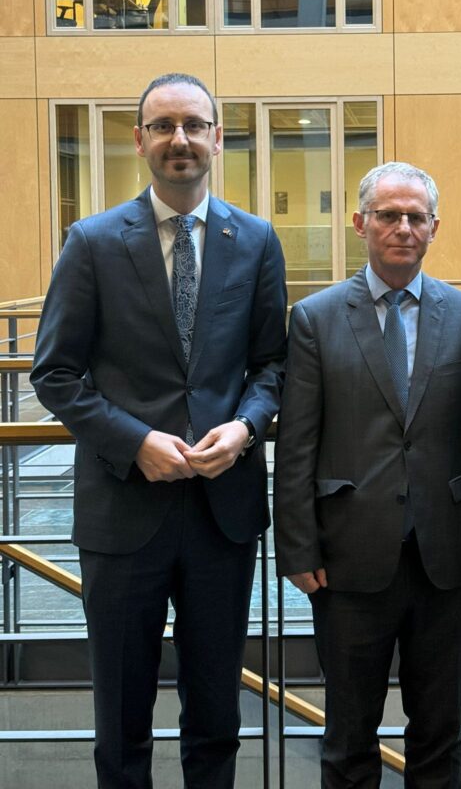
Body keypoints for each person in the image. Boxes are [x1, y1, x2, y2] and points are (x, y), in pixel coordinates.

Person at [31, 72, 287, 789]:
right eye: (164, 125)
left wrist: (245, 428)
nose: (181, 139)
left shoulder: (255, 240)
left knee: (217, 717)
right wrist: (134, 442)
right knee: (120, 721)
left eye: (194, 125)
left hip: (221, 514)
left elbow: (273, 364)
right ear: (141, 139)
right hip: (122, 512)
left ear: (217, 138)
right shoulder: (92, 242)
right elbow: (55, 373)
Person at [274, 161, 461, 788]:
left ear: (434, 227)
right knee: (349, 736)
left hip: (446, 557)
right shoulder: (315, 318)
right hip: (345, 558)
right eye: (387, 215)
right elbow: (296, 445)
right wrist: (296, 547)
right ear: (360, 223)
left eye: (415, 217)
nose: (402, 227)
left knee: (440, 732)